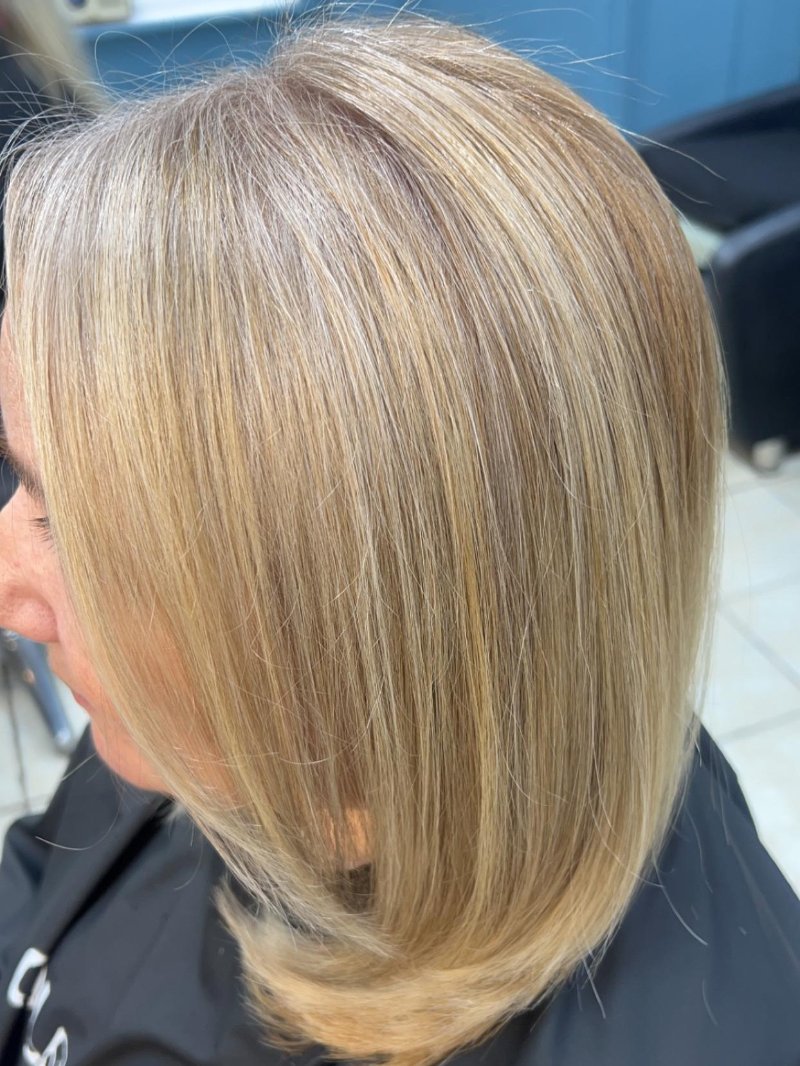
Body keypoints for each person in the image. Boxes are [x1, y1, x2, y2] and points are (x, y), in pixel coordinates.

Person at [0, 13, 797, 1066]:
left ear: (348, 631)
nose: (9, 582)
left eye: (67, 523)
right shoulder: (190, 717)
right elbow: (44, 883)